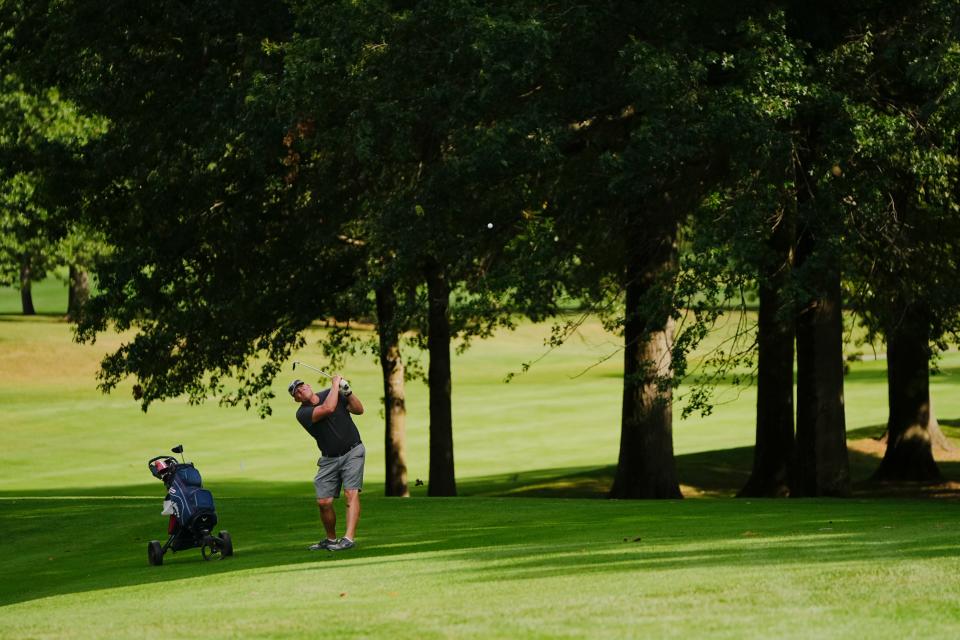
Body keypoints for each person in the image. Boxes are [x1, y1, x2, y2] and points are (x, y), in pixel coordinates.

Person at [289, 374, 365, 551]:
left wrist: (348, 392)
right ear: (296, 400)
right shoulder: (302, 413)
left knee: (350, 493)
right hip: (329, 459)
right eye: (297, 392)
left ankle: (348, 538)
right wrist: (335, 385)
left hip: (353, 450)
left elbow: (359, 410)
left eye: (301, 386)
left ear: (308, 385)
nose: (300, 390)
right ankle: (331, 540)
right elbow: (328, 408)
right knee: (324, 502)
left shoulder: (334, 393)